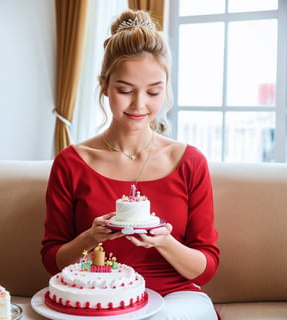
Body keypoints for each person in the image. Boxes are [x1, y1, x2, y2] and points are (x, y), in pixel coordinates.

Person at [41, 9, 220, 320]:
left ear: (166, 87)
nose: (139, 105)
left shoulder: (190, 162)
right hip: (99, 300)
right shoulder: (71, 163)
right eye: (125, 90)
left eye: (153, 91)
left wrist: (164, 241)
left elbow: (205, 268)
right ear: (104, 85)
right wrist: (91, 236)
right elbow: (51, 258)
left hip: (176, 299)